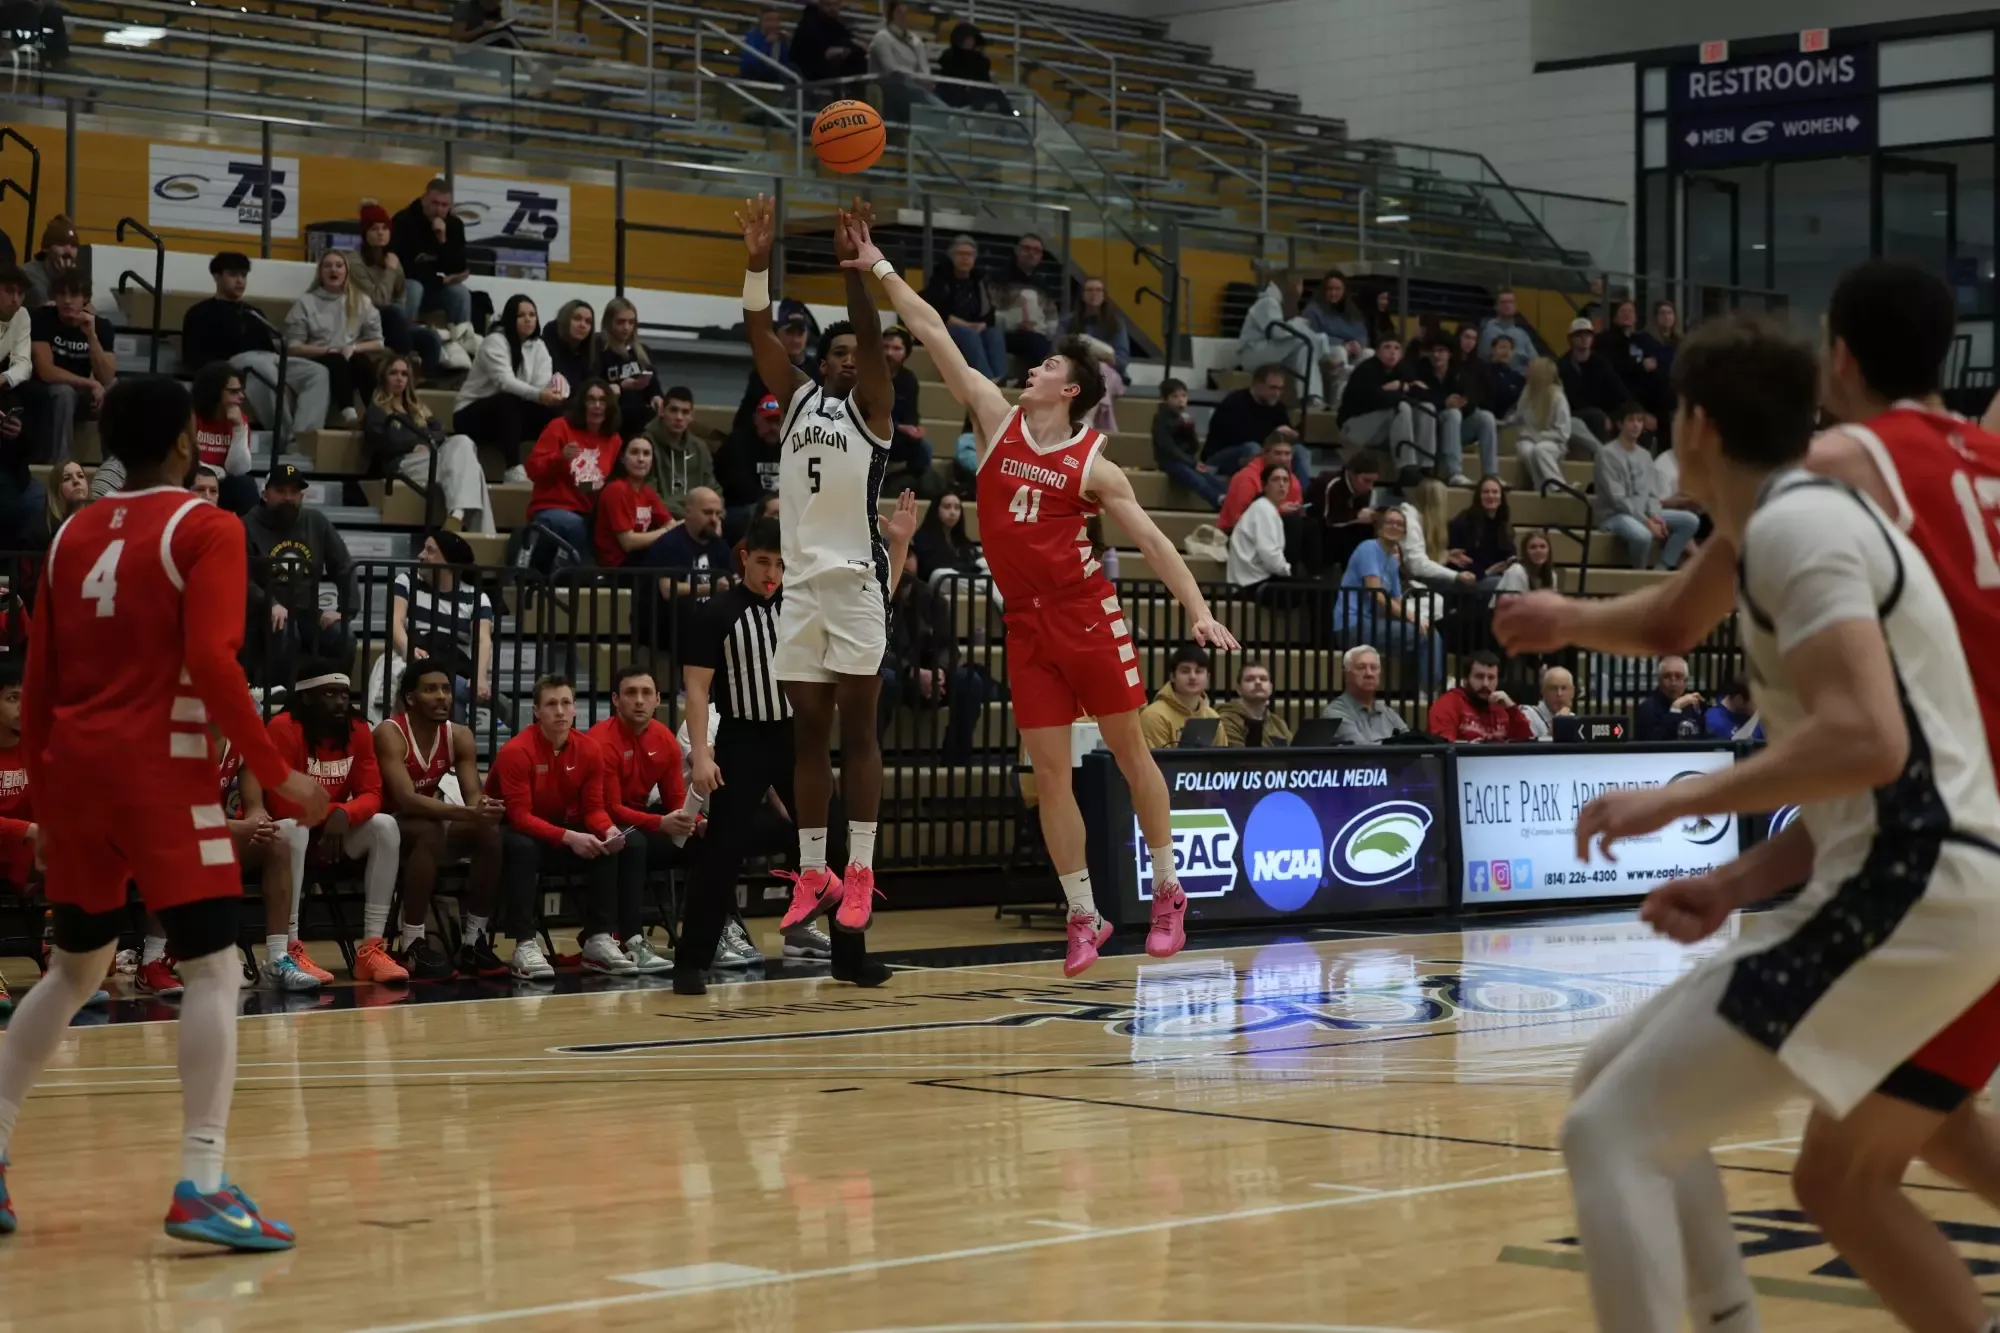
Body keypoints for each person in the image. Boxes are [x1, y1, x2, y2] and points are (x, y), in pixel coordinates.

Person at [1502, 309, 2000, 1333]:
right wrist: (1730, 879)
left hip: (1918, 888)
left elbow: (1867, 740)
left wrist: (1671, 798)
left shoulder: (1798, 526)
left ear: (1694, 427)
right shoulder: (1786, 520)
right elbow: (1866, 763)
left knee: (1611, 1135)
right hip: (1916, 879)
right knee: (1617, 1090)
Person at [844, 208, 1241, 976]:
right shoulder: (996, 422)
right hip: (1023, 624)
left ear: (1072, 389)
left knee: (1130, 755)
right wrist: (879, 266)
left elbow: (1155, 542)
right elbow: (933, 333)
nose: (1033, 371)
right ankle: (1083, 913)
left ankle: (1167, 887)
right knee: (1050, 772)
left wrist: (1197, 608)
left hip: (1087, 616)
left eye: (1048, 369)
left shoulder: (1097, 465)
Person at [0, 375, 324, 1249]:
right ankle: (204, 1181)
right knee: (217, 969)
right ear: (188, 440)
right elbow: (214, 663)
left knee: (74, 971)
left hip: (72, 773)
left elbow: (36, 688)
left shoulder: (68, 536)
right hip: (159, 772)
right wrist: (280, 775)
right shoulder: (206, 526)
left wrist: (44, 798)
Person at [740, 196, 906, 986]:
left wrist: (853, 272)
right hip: (800, 590)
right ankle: (815, 869)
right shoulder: (800, 398)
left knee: (859, 732)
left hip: (856, 583)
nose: (844, 359)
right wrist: (755, 261)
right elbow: (757, 335)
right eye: (833, 352)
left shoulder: (875, 407)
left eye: (852, 352)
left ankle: (862, 869)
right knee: (808, 736)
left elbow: (870, 336)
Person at [680, 518, 804, 990]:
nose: (772, 573)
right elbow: (696, 690)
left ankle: (849, 956)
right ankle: (692, 962)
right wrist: (702, 755)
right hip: (742, 739)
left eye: (780, 564)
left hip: (793, 739)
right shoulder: (717, 612)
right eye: (764, 561)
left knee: (830, 845)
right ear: (745, 557)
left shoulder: (799, 609)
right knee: (721, 856)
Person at [243, 664, 406, 984]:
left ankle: (372, 948)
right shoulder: (283, 728)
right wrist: (334, 812)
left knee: (385, 825)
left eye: (344, 694)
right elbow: (281, 802)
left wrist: (343, 815)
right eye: (329, 694)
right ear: (305, 698)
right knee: (293, 827)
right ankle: (290, 948)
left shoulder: (358, 730)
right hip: (291, 838)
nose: (340, 702)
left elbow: (372, 794)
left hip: (336, 834)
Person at [484, 676, 641, 979]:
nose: (559, 710)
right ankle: (524, 944)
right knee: (523, 847)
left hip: (557, 829)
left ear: (574, 710)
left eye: (565, 703)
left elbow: (594, 808)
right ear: (536, 711)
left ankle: (598, 938)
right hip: (511, 830)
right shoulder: (516, 751)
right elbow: (519, 817)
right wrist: (570, 837)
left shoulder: (590, 750)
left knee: (606, 845)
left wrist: (608, 830)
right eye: (551, 704)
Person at [373, 661, 506, 981]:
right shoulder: (389, 733)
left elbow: (473, 795)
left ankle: (474, 940)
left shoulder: (459, 735)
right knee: (430, 831)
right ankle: (412, 942)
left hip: (429, 824)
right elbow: (405, 800)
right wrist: (465, 813)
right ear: (410, 698)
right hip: (385, 826)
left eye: (446, 689)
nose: (442, 697)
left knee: (487, 833)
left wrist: (485, 809)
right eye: (430, 689)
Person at [584, 666, 707, 971]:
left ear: (658, 700)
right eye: (630, 693)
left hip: (640, 820)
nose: (639, 700)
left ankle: (711, 933)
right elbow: (609, 807)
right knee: (633, 842)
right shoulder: (601, 740)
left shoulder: (664, 739)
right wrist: (660, 823)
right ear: (615, 699)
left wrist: (695, 820)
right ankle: (631, 939)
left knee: (706, 841)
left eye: (646, 693)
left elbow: (676, 799)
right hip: (599, 819)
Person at [181, 252, 328, 446]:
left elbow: (268, 350)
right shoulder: (199, 312)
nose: (240, 281)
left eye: (243, 275)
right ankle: (284, 435)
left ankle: (303, 436)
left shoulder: (254, 312)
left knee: (318, 372)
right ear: (217, 277)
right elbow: (192, 356)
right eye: (234, 275)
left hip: (266, 359)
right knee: (258, 365)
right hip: (230, 363)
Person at [241, 464, 357, 688]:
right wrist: (270, 603)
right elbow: (241, 577)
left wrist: (346, 611)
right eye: (281, 491)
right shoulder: (246, 525)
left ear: (302, 496)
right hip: (261, 614)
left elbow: (344, 565)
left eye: (294, 492)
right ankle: (276, 698)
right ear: (265, 495)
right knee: (285, 631)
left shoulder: (315, 521)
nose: (288, 498)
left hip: (306, 610)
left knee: (344, 638)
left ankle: (332, 695)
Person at [365, 353, 495, 534]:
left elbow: (439, 431)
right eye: (393, 373)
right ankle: (473, 528)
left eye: (404, 374)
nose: (399, 379)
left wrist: (426, 442)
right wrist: (413, 445)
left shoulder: (417, 408)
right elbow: (386, 441)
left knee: (462, 442)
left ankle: (456, 515)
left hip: (432, 457)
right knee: (472, 469)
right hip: (404, 464)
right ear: (383, 377)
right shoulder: (377, 410)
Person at [454, 294, 564, 483]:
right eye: (521, 315)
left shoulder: (539, 346)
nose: (528, 319)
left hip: (510, 416)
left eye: (532, 314)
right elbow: (504, 382)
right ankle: (513, 468)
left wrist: (546, 396)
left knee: (555, 410)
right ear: (510, 318)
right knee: (508, 400)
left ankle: (551, 468)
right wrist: (538, 395)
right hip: (471, 415)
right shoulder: (495, 341)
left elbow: (541, 384)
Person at [1331, 507, 1442, 691]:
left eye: (1399, 524)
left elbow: (1397, 599)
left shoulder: (1391, 560)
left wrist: (1417, 620)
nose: (1394, 526)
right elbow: (1376, 593)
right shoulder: (1368, 548)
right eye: (1389, 522)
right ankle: (1431, 691)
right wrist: (1412, 618)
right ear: (1380, 527)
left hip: (1372, 624)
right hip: (1352, 625)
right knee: (1426, 635)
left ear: (1404, 532)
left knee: (1428, 633)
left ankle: (1424, 690)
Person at [389, 530, 494, 724]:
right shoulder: (407, 582)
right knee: (455, 692)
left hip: (455, 663)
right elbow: (395, 621)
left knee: (453, 689)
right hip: (419, 659)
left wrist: (480, 677)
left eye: (430, 551)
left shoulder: (476, 597)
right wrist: (408, 649)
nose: (421, 555)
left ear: (449, 561)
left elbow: (483, 638)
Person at [281, 250, 384, 427]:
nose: (333, 270)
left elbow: (378, 343)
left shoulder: (361, 301)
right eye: (327, 266)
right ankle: (349, 415)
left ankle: (378, 415)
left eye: (338, 265)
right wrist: (328, 350)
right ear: (320, 272)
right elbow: (293, 347)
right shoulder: (305, 302)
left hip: (350, 356)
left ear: (346, 271)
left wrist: (354, 348)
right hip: (318, 357)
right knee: (336, 360)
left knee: (360, 361)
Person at [523, 377, 621, 557]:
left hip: (588, 513)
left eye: (602, 400)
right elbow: (532, 470)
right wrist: (560, 458)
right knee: (574, 526)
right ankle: (583, 576)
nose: (597, 405)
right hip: (552, 509)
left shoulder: (613, 440)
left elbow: (593, 485)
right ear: (582, 404)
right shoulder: (560, 427)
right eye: (591, 400)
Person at [1595, 402, 1698, 571]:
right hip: (1615, 514)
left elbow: (1652, 493)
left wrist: (1655, 516)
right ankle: (1639, 574)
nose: (1636, 425)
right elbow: (1618, 499)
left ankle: (1662, 567)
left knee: (1690, 520)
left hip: (1644, 512)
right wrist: (1646, 521)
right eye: (1631, 420)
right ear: (1621, 424)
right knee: (1643, 535)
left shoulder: (1645, 455)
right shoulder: (1606, 454)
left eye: (1640, 420)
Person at [27, 270, 114, 465]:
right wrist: (90, 384)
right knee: (64, 392)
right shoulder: (41, 318)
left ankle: (114, 469)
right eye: (61, 294)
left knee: (115, 391)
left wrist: (91, 336)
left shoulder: (101, 327)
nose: (66, 301)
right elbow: (46, 371)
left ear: (85, 299)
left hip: (82, 392)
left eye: (73, 295)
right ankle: (61, 466)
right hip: (46, 390)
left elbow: (107, 376)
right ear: (54, 297)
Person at [352, 204, 441, 375]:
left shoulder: (392, 259)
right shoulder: (355, 263)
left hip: (390, 325)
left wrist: (401, 316)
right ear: (365, 233)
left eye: (385, 228)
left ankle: (421, 383)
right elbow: (379, 301)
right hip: (362, 323)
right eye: (374, 229)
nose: (380, 233)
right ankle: (408, 362)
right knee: (391, 312)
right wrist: (390, 271)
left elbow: (400, 293)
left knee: (430, 339)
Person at [171, 363, 258, 514]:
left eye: (241, 391)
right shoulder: (189, 417)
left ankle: (246, 535)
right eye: (233, 392)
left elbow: (239, 470)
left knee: (246, 484)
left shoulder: (239, 420)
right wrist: (218, 472)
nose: (242, 397)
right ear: (215, 392)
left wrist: (239, 429)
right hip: (189, 481)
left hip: (218, 487)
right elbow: (184, 461)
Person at [1336, 335, 1427, 474]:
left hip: (1380, 429)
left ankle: (1424, 466)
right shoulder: (1366, 369)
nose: (1392, 352)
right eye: (1387, 347)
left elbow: (1424, 394)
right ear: (1377, 351)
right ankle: (1406, 467)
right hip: (1354, 427)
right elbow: (1371, 399)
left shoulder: (1402, 370)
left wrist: (1400, 386)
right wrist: (1399, 390)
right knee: (1402, 407)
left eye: (1397, 348)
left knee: (1424, 409)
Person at [389, 179, 473, 329]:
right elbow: (404, 268)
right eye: (435, 203)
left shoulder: (454, 225)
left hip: (435, 289)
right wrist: (441, 281)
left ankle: (463, 341)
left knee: (460, 293)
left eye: (444, 205)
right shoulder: (404, 221)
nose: (439, 210)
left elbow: (459, 268)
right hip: (406, 286)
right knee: (415, 288)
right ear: (424, 199)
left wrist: (443, 240)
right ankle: (404, 339)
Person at [922, 236, 1007, 383]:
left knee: (994, 333)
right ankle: (987, 380)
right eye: (960, 254)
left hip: (974, 326)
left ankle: (1002, 378)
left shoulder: (979, 280)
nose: (965, 258)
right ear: (951, 256)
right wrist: (967, 325)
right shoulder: (940, 279)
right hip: (947, 326)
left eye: (969, 254)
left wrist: (983, 324)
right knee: (968, 334)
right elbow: (937, 311)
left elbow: (990, 311)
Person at [1413, 336, 1495, 484]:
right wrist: (1444, 402)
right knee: (1452, 413)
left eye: (1441, 351)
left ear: (1449, 354)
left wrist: (1464, 402)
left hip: (1457, 427)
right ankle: (1454, 472)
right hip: (1432, 429)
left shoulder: (1459, 371)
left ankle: (1491, 474)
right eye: (1433, 351)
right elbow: (1418, 395)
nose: (1436, 355)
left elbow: (1473, 394)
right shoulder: (1421, 370)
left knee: (1486, 417)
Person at [1204, 364, 1299, 476]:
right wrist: (1273, 436)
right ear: (1258, 384)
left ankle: (1300, 491)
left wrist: (1292, 436)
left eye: (1280, 388)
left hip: (1261, 452)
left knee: (1299, 450)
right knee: (1252, 447)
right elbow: (1237, 439)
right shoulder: (1235, 402)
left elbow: (1285, 439)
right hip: (1221, 457)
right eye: (1272, 388)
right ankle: (1259, 489)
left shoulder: (1277, 406)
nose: (1277, 393)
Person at [594, 435, 672, 568]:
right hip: (617, 567)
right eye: (634, 452)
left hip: (639, 560)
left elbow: (671, 524)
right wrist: (666, 531)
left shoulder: (647, 492)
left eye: (646, 454)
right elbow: (628, 542)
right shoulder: (616, 489)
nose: (641, 459)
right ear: (623, 459)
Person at [641, 385, 716, 520]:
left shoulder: (700, 448)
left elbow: (713, 488)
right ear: (662, 411)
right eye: (673, 410)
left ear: (691, 416)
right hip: (661, 521)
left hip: (696, 521)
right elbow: (648, 495)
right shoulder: (646, 444)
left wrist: (717, 517)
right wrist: (689, 516)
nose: (679, 417)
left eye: (685, 412)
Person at [715, 392, 786, 532]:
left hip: (781, 506)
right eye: (768, 421)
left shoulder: (792, 444)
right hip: (741, 508)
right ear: (756, 419)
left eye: (777, 421)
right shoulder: (738, 444)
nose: (773, 427)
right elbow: (740, 488)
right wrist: (770, 502)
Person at [1151, 379, 1225, 510]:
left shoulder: (1184, 418)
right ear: (1164, 399)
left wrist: (1190, 430)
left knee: (1207, 475)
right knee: (1196, 479)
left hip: (1187, 460)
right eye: (1175, 396)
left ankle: (1230, 497)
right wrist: (1191, 462)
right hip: (1170, 461)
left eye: (1183, 396)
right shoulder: (1161, 419)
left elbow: (1194, 447)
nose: (1180, 400)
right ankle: (1218, 500)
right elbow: (1168, 447)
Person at [879, 325, 936, 496]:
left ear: (906, 353)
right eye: (885, 347)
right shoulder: (866, 374)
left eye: (896, 348)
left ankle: (895, 483)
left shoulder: (908, 380)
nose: (889, 353)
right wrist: (899, 426)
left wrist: (915, 430)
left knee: (924, 450)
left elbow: (911, 416)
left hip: (895, 437)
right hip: (867, 434)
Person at [1427, 650, 1530, 742]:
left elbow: (1527, 745)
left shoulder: (1503, 706)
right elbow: (1443, 749)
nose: (1485, 684)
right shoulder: (1447, 705)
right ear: (1466, 679)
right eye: (1479, 677)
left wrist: (1512, 709)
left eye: (1491, 678)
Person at [991, 234, 1058, 373]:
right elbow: (989, 313)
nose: (1031, 253)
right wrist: (1014, 322)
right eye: (1026, 248)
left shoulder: (1043, 286)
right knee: (1037, 345)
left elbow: (1052, 317)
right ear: (1017, 251)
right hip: (1006, 334)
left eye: (1036, 250)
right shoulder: (999, 280)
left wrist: (1044, 330)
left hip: (1037, 334)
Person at [1304, 450, 1381, 569]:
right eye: (1366, 481)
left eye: (1373, 482)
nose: (1370, 487)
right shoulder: (1329, 483)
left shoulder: (1368, 492)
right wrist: (1356, 516)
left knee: (1368, 529)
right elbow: (1326, 519)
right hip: (1319, 533)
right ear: (1351, 473)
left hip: (1346, 534)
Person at [1511, 358, 1578, 494]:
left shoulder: (1558, 397)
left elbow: (1563, 433)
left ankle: (1557, 485)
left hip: (1553, 442)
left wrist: (1537, 436)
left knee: (1540, 450)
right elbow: (1519, 416)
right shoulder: (1527, 393)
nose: (1526, 373)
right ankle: (1541, 485)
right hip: (1528, 438)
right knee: (1526, 450)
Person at [1556, 317, 1624, 449]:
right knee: (1596, 416)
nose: (1583, 339)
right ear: (1570, 339)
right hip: (1572, 415)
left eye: (1587, 335)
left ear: (1592, 339)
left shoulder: (1602, 363)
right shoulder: (1562, 366)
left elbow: (1619, 391)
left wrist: (1613, 416)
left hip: (1603, 414)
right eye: (1579, 335)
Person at [1140, 644, 1223, 749]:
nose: (1192, 676)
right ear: (1173, 676)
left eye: (1198, 671)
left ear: (1208, 677)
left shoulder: (1213, 718)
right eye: (1185, 671)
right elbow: (1156, 762)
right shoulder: (1154, 716)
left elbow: (1221, 762)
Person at [869, 1, 938, 124]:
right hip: (891, 87)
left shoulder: (915, 40)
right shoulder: (882, 38)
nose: (903, 17)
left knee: (921, 89)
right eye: (899, 12)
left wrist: (926, 79)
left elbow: (924, 68)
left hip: (913, 86)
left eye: (906, 13)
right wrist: (915, 78)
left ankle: (949, 114)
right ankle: (947, 113)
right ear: (891, 15)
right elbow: (891, 69)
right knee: (904, 83)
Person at [1226, 463, 1293, 590]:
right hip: (1252, 583)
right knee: (1312, 591)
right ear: (1265, 485)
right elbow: (1269, 553)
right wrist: (1287, 571)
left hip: (1255, 580)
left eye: (1285, 480)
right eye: (1275, 479)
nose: (1281, 484)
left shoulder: (1266, 508)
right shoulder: (1263, 509)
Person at [1217, 434, 1304, 533]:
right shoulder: (1246, 477)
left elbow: (1297, 507)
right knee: (1292, 522)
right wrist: (1278, 510)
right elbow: (1240, 519)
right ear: (1265, 454)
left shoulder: (1292, 479)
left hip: (1273, 529)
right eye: (1277, 453)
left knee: (1309, 524)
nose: (1283, 459)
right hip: (1238, 533)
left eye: (1287, 454)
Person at [1323, 644, 1407, 745]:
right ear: (1346, 674)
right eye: (1361, 668)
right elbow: (1363, 753)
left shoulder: (1387, 713)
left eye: (1374, 668)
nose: (1369, 673)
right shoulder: (1335, 713)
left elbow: (1411, 744)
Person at [1447, 475, 1516, 583]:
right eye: (1486, 492)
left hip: (1498, 576)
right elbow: (1459, 561)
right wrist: (1487, 572)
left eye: (1495, 492)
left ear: (1501, 497)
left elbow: (1509, 555)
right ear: (1478, 497)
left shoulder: (1504, 523)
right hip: (1472, 580)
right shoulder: (1464, 521)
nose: (1490, 496)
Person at [911, 488, 981, 585]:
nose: (953, 512)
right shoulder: (923, 537)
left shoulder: (962, 540)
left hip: (964, 583)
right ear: (936, 510)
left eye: (957, 508)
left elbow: (975, 564)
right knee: (940, 574)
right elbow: (931, 568)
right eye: (947, 507)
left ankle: (985, 587)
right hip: (937, 586)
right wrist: (970, 566)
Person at [937, 20, 1008, 113]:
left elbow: (984, 81)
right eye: (968, 38)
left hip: (975, 93)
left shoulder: (981, 60)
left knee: (994, 93)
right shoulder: (949, 56)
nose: (971, 41)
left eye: (972, 38)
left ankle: (1010, 117)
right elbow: (947, 78)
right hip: (952, 90)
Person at [1217, 660, 1291, 747]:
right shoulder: (1226, 720)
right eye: (1249, 679)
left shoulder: (1278, 723)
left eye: (1263, 679)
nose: (1258, 682)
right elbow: (1238, 756)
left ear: (1270, 688)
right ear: (1239, 689)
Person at [792, 0, 867, 86]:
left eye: (835, 5)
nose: (832, 8)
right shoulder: (808, 25)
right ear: (820, 5)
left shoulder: (834, 23)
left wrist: (851, 43)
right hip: (810, 74)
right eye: (828, 5)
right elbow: (816, 55)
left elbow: (844, 38)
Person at [541, 300, 597, 404]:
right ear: (565, 320)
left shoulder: (590, 353)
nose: (582, 325)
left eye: (588, 322)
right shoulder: (544, 347)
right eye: (577, 318)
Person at [1492, 528, 1558, 601]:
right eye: (1533, 547)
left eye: (1542, 547)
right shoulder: (1516, 571)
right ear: (1525, 552)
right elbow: (1513, 605)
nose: (1538, 551)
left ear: (1549, 551)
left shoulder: (1552, 575)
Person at [1478, 288, 1536, 369]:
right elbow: (1482, 358)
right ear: (1496, 306)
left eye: (1510, 302)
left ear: (1516, 307)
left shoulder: (1522, 334)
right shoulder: (1487, 330)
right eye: (1503, 302)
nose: (1507, 305)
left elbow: (1535, 360)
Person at [1521, 664, 1575, 741]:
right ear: (1543, 691)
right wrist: (1553, 731)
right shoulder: (1528, 716)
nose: (1559, 694)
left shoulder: (1573, 719)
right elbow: (1527, 750)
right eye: (1553, 688)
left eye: (1564, 688)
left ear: (1572, 692)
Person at [738, 6, 790, 79]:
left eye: (776, 20)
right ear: (761, 22)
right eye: (768, 20)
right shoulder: (752, 37)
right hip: (755, 74)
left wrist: (788, 43)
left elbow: (785, 62)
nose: (773, 24)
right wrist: (767, 44)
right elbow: (750, 65)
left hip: (776, 75)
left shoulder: (780, 38)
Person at [1704, 676, 1759, 741]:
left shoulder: (1745, 714)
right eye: (1755, 703)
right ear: (1739, 700)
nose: (1758, 707)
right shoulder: (1715, 720)